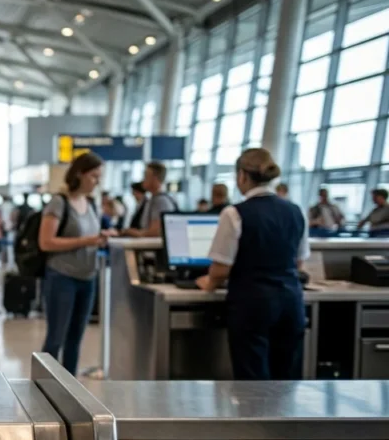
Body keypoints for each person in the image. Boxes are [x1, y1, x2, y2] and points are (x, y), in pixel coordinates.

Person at [196, 148, 308, 380]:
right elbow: (299, 262)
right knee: (287, 381)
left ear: (242, 176)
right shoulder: (296, 211)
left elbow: (221, 269)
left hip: (253, 305)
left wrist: (207, 283)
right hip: (291, 303)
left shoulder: (234, 213)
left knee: (253, 383)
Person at [37, 152, 111, 375]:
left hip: (87, 277)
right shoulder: (59, 202)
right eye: (94, 176)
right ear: (80, 174)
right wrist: (86, 241)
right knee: (56, 337)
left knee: (75, 339)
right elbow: (46, 242)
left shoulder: (91, 204)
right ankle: (44, 383)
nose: (97, 182)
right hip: (62, 277)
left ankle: (69, 384)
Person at [123, 162, 177, 237]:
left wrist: (131, 232)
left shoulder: (161, 201)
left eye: (146, 176)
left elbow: (155, 232)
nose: (143, 180)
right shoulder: (152, 199)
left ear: (155, 178)